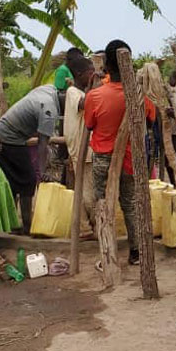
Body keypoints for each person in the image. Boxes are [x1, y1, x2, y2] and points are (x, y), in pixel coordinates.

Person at [83, 39, 155, 265]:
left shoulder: (95, 96)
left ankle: (107, 252)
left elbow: (89, 125)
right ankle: (136, 253)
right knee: (130, 204)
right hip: (130, 158)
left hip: (103, 159)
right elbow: (151, 120)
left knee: (102, 204)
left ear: (106, 66)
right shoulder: (138, 96)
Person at [0, 81, 61, 233]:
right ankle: (25, 226)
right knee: (28, 181)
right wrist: (42, 172)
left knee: (12, 182)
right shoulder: (49, 110)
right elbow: (43, 144)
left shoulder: (49, 90)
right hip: (8, 139)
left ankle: (12, 225)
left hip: (2, 134)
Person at [63, 55, 97, 238]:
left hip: (86, 149)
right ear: (79, 74)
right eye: (90, 73)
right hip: (82, 149)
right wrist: (96, 88)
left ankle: (84, 227)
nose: (93, 76)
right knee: (88, 193)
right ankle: (86, 227)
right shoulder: (73, 93)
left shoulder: (82, 92)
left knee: (85, 189)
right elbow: (86, 104)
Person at [164, 70, 176, 187]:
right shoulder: (169, 92)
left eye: (171, 80)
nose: (169, 82)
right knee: (168, 161)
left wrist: (172, 113)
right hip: (171, 132)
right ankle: (174, 183)